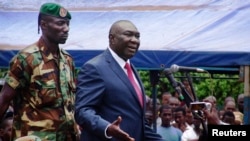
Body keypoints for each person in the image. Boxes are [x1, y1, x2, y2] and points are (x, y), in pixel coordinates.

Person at [74, 20, 164, 141]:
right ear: (112, 38)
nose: (134, 40)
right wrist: (107, 128)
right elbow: (82, 111)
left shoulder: (131, 69)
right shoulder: (94, 67)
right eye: (128, 34)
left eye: (137, 36)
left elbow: (139, 123)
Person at [0, 3, 78, 140]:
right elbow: (4, 99)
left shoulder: (67, 60)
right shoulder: (26, 59)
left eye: (67, 24)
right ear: (44, 25)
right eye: (60, 23)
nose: (66, 29)